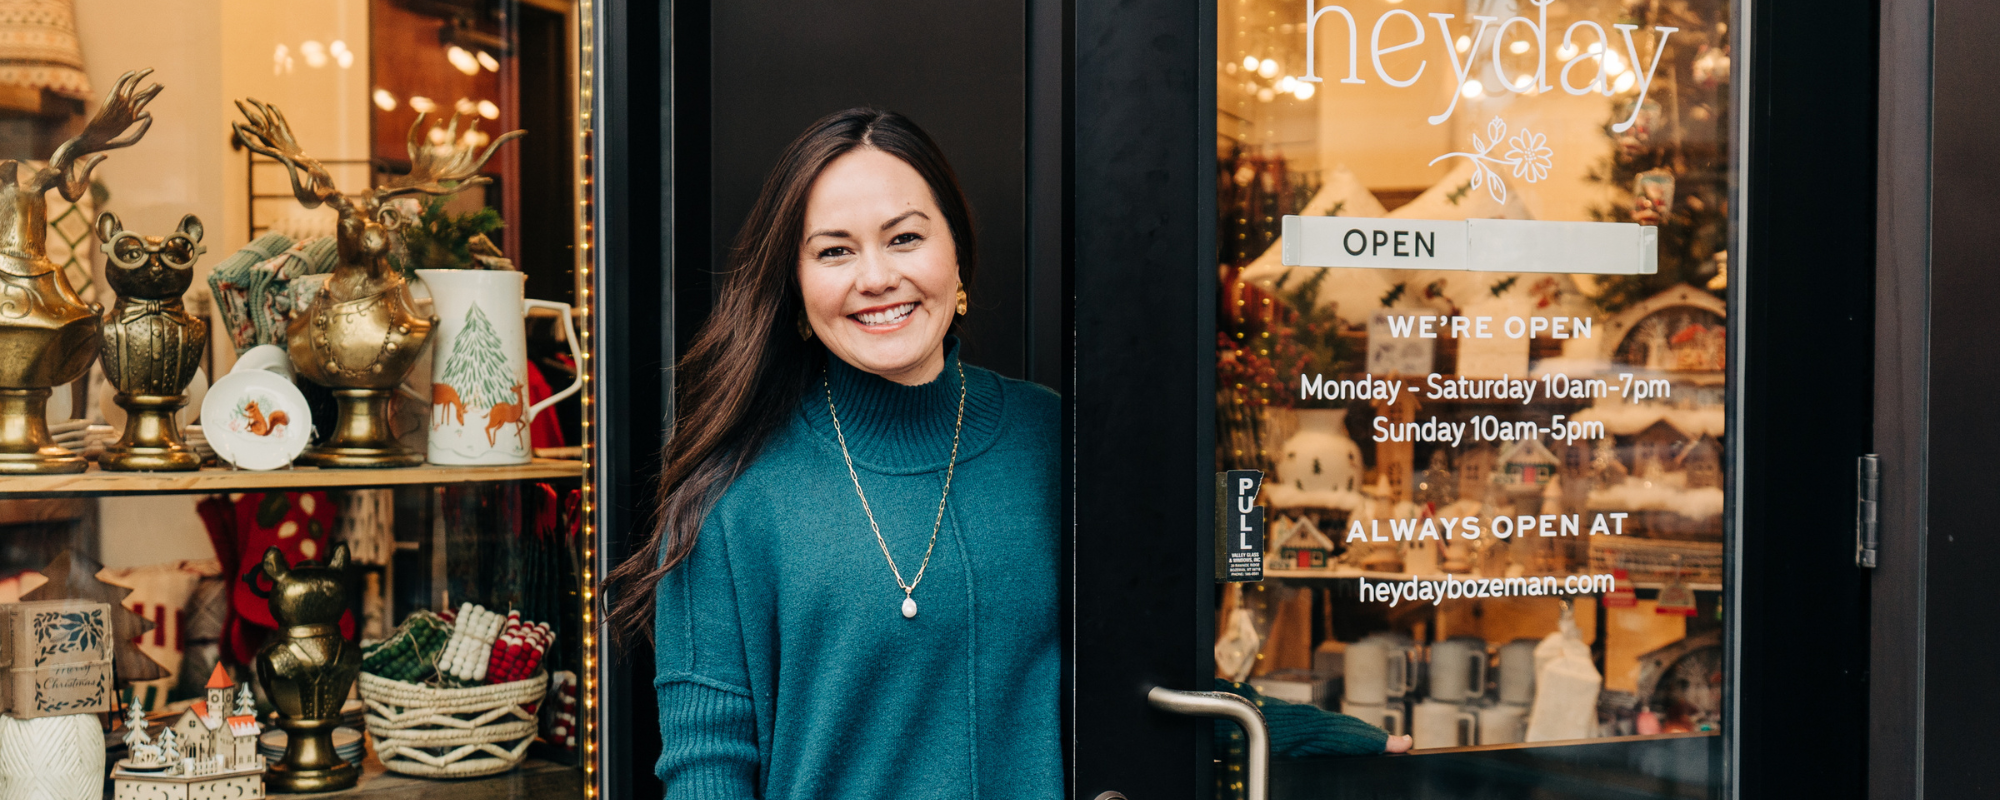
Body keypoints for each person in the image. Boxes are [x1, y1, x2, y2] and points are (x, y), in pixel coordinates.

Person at [606, 108, 1062, 799]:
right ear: (796, 285)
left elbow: (1157, 679)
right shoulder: (730, 494)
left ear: (956, 252)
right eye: (835, 251)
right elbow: (708, 768)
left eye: (905, 237)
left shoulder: (1056, 440)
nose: (875, 277)